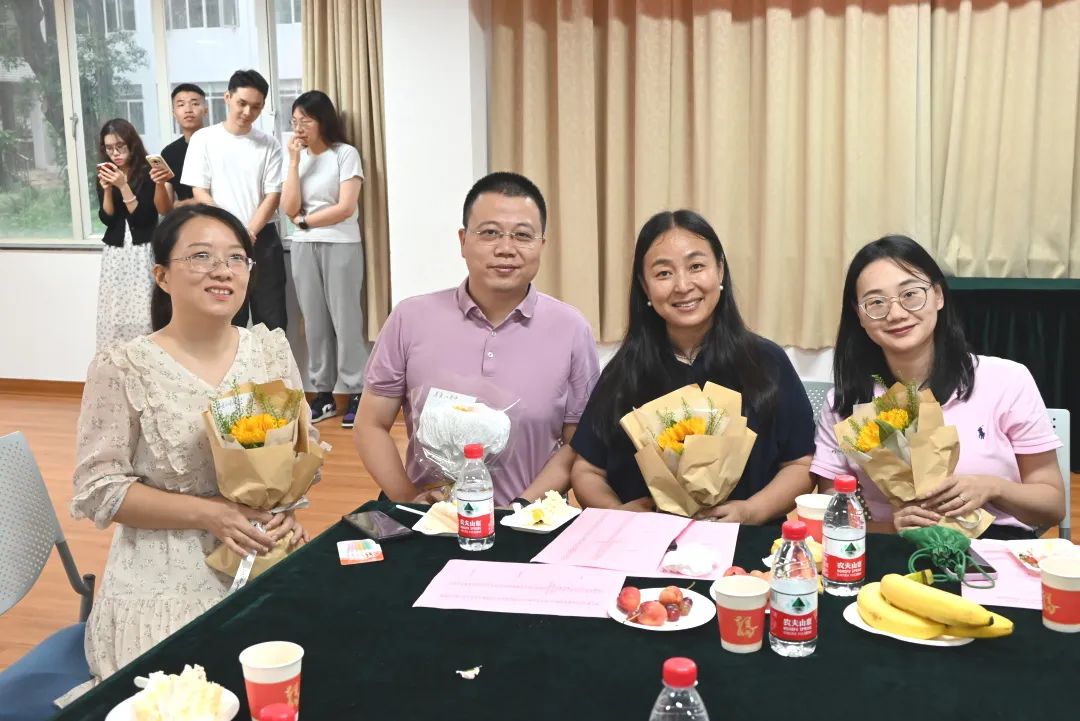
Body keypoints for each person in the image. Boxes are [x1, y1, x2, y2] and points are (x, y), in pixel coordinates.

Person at [58, 204, 312, 704]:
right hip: (164, 569)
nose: (222, 270)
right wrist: (210, 513)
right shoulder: (123, 367)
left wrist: (286, 513)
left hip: (259, 554)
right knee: (194, 695)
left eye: (236, 258)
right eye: (200, 256)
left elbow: (293, 454)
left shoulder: (269, 351)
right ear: (162, 276)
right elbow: (100, 489)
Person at [355, 172, 600, 506]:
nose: (506, 249)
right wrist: (409, 499)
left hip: (530, 520)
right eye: (490, 233)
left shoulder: (571, 328)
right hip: (431, 522)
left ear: (542, 245)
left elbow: (578, 444)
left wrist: (520, 509)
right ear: (463, 241)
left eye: (522, 235)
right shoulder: (410, 318)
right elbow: (371, 423)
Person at [810, 235, 1065, 539]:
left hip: (993, 547)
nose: (896, 314)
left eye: (910, 294)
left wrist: (993, 488)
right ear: (859, 315)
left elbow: (1052, 506)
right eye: (876, 303)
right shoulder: (845, 403)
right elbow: (832, 515)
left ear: (938, 296)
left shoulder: (1006, 380)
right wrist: (892, 528)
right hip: (892, 549)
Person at [570, 210, 815, 522]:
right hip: (646, 543)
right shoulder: (623, 372)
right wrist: (619, 515)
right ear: (645, 287)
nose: (683, 285)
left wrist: (752, 511)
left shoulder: (767, 362)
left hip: (746, 542)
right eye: (663, 273)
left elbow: (800, 465)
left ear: (720, 270)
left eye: (696, 266)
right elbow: (587, 470)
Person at [280, 90, 369, 428]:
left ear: (322, 121)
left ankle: (357, 392)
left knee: (346, 320)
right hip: (303, 246)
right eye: (294, 121)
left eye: (306, 120)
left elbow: (345, 207)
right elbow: (289, 208)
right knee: (314, 323)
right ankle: (323, 394)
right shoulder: (296, 159)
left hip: (341, 243)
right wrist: (293, 163)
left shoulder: (345, 154)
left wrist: (305, 221)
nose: (299, 127)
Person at [181, 69, 286, 330]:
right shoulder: (203, 139)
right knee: (225, 318)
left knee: (271, 320)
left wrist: (248, 232)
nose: (248, 112)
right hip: (219, 241)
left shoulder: (269, 144)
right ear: (227, 97)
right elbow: (200, 191)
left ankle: (270, 362)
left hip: (261, 239)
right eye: (242, 103)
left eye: (256, 107)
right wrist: (232, 230)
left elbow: (273, 195)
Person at [94, 118, 158, 351]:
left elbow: (143, 218)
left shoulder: (148, 172)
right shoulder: (106, 172)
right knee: (116, 307)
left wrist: (123, 186)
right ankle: (116, 358)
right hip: (116, 250)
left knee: (144, 306)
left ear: (132, 144)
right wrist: (107, 190)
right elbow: (107, 219)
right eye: (109, 148)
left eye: (120, 146)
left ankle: (146, 355)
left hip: (142, 249)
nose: (115, 153)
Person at [153, 83, 209, 214]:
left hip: (218, 218)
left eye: (195, 104)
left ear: (205, 110)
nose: (188, 109)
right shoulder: (169, 152)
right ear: (174, 113)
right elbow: (164, 210)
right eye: (181, 104)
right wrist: (159, 184)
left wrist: (183, 204)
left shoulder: (218, 143)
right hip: (185, 221)